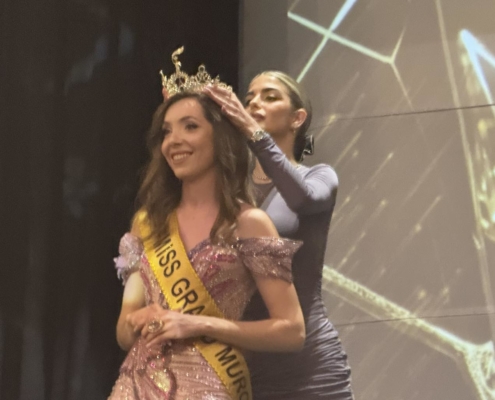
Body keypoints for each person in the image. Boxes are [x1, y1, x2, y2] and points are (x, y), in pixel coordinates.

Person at [108, 77, 306, 399]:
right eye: (166, 132)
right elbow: (123, 332)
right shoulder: (148, 223)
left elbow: (292, 331)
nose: (174, 141)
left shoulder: (248, 223)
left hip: (209, 383)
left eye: (190, 127)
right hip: (136, 386)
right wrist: (135, 321)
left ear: (221, 137)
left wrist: (198, 324)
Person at [204, 71, 354, 399]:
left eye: (270, 97)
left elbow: (302, 199)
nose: (255, 103)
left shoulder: (319, 176)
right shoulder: (230, 191)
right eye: (249, 99)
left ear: (297, 118)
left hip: (310, 366)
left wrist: (252, 131)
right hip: (243, 367)